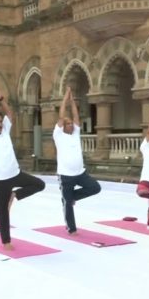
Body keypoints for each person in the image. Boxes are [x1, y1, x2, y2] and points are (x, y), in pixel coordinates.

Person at [0, 82, 45, 249]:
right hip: (0, 180)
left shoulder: (5, 131)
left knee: (39, 184)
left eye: (0, 122)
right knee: (2, 212)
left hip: (15, 174)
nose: (0, 124)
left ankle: (15, 195)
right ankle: (6, 241)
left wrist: (0, 98)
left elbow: (10, 113)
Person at [53, 86, 101, 234]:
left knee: (95, 187)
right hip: (66, 175)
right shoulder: (58, 135)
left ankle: (71, 197)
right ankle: (71, 228)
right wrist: (65, 99)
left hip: (80, 173)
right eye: (68, 124)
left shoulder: (75, 134)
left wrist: (73, 102)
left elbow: (76, 117)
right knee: (67, 204)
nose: (71, 125)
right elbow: (61, 116)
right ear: (63, 126)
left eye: (71, 124)